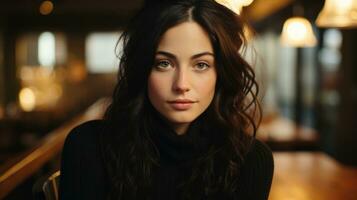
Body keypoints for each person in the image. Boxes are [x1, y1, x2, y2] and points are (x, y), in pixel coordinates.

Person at [59, 0, 274, 199]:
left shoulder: (250, 160)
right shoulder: (89, 147)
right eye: (164, 63)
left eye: (201, 65)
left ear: (221, 74)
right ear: (142, 69)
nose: (181, 84)